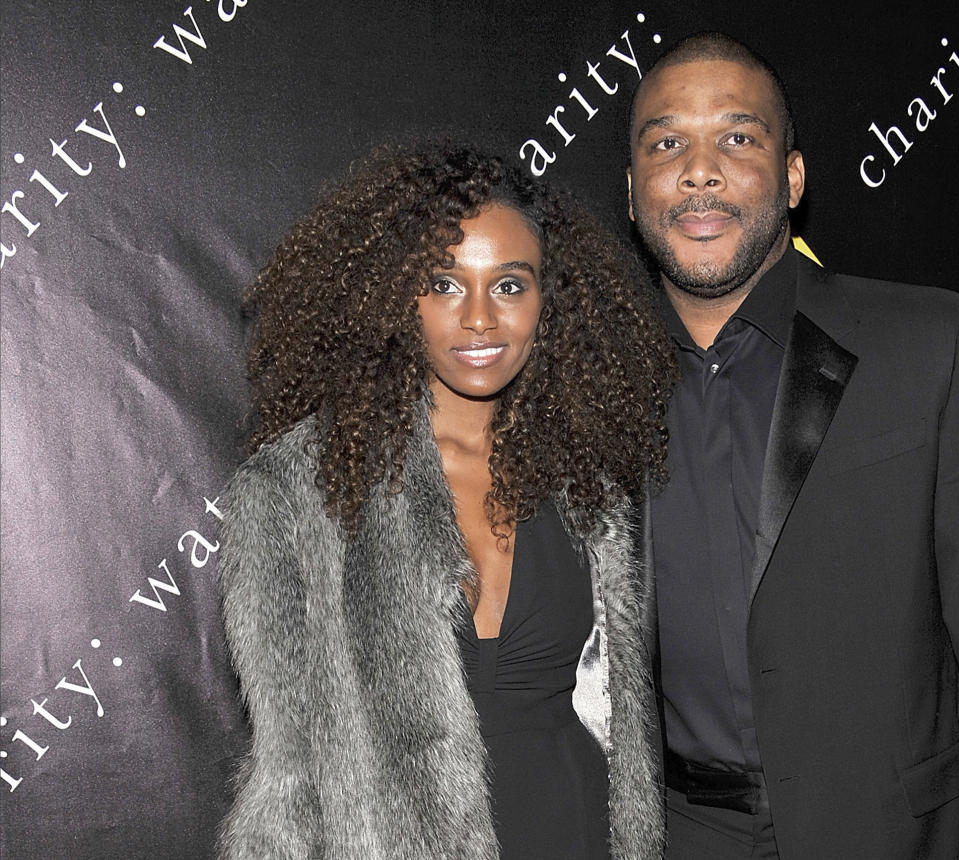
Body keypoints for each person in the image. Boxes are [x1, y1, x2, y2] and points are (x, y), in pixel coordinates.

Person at [627, 33, 959, 859]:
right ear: (630, 189)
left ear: (792, 177)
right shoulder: (585, 387)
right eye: (665, 143)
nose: (698, 169)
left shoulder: (935, 344)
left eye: (736, 137)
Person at [216, 143, 672, 859]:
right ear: (398, 296)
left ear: (549, 304)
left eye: (511, 285)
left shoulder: (589, 487)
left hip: (577, 829)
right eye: (446, 283)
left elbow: (622, 721)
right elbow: (286, 771)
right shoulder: (299, 491)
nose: (481, 318)